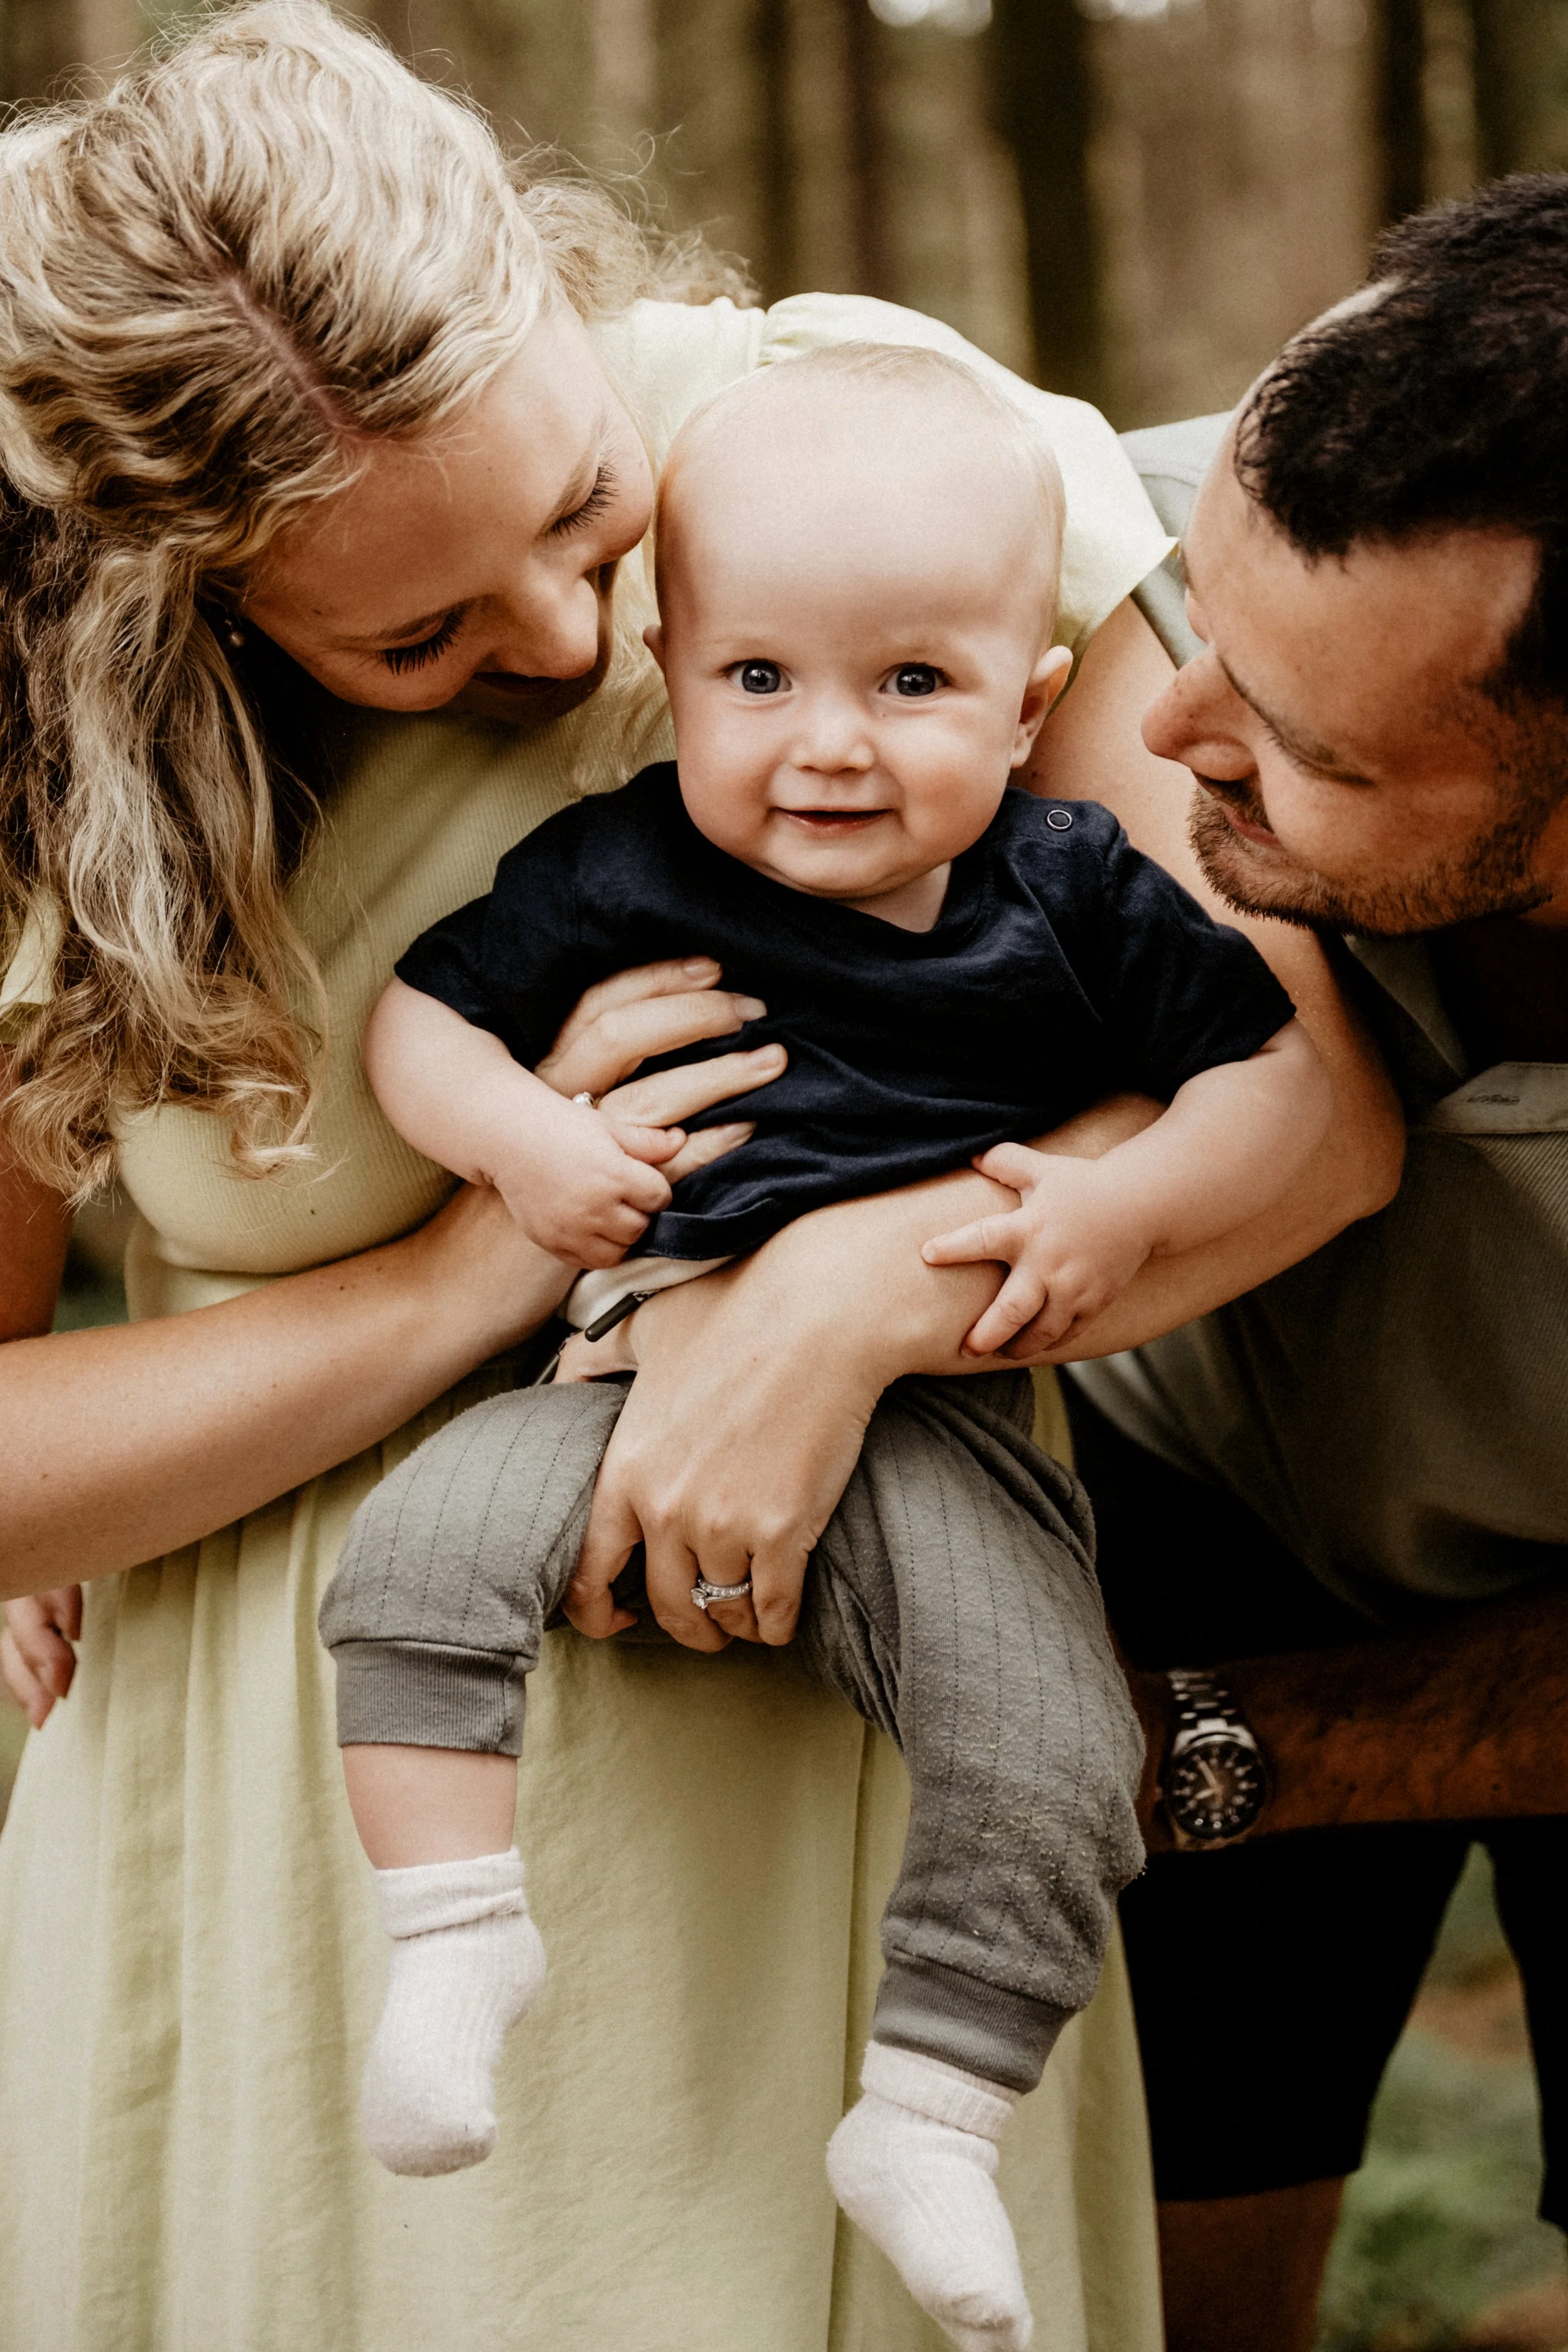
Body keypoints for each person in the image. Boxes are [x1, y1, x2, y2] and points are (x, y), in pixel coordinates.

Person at [0, 7, 1399, 2347]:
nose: (568, 644)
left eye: (579, 512)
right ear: (191, 588)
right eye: (416, 631)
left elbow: (1300, 1113)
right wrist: (464, 1280)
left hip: (838, 1786)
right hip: (290, 1836)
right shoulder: (43, 715)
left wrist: (847, 1287)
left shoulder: (855, 449)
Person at [319, 346, 1326, 2349]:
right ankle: (452, 1940)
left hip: (940, 1428)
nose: (828, 747)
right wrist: (523, 1140)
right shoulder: (620, 864)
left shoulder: (1069, 886)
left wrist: (1119, 1201)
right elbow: (417, 1026)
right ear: (675, 669)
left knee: (1052, 1748)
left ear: (1031, 700)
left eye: (913, 684)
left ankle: (934, 2104)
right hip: (625, 1365)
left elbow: (1275, 1078)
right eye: (760, 681)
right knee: (414, 1556)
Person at [1064, 174, 1568, 2352]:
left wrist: (1214, 1751)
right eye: (1204, 620)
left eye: (1307, 749)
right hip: (1181, 1490)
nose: (1178, 738)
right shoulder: (1226, 538)